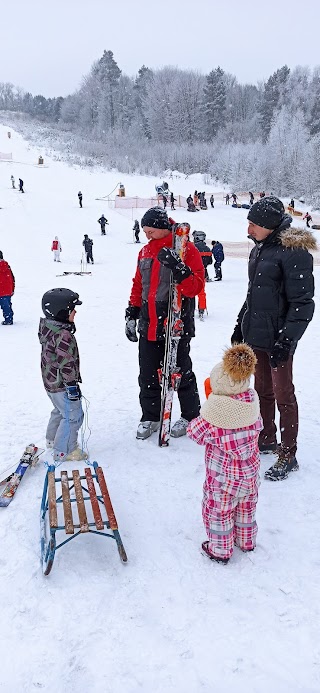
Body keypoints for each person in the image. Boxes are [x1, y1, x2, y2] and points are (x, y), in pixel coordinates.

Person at [231, 196, 316, 481]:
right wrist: (239, 324)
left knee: (283, 396)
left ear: (269, 225)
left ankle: (288, 453)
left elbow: (303, 303)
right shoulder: (260, 249)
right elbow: (253, 293)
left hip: (279, 338)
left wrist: (287, 341)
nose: (249, 229)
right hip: (257, 336)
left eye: (254, 224)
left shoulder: (294, 252)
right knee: (262, 391)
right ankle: (266, 437)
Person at [125, 206, 205, 440]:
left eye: (150, 231)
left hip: (175, 322)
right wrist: (132, 311)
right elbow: (138, 284)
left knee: (180, 371)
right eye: (144, 231)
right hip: (149, 321)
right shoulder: (145, 252)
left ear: (161, 228)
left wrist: (177, 267)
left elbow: (196, 287)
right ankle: (151, 415)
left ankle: (191, 415)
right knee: (147, 372)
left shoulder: (185, 248)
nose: (146, 235)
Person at [187, 344, 262, 564]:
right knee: (246, 508)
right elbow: (260, 425)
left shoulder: (213, 418)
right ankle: (247, 541)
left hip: (222, 480)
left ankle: (220, 550)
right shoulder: (252, 405)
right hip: (250, 476)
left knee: (219, 512)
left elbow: (194, 433)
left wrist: (209, 408)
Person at [38, 288, 87, 462]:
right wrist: (72, 385)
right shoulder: (63, 334)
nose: (75, 312)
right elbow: (66, 362)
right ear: (62, 311)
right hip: (61, 384)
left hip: (51, 381)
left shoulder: (49, 328)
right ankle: (64, 450)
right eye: (72, 309)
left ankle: (52, 440)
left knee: (60, 411)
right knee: (73, 415)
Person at [192, 230, 212, 320]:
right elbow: (210, 262)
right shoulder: (207, 248)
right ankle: (201, 309)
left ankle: (189, 309)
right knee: (201, 293)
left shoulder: (192, 247)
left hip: (191, 273)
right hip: (202, 273)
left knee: (190, 292)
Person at [0, 250, 14, 325]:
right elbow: (12, 278)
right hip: (6, 291)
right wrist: (12, 289)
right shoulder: (7, 266)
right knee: (6, 306)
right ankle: (9, 319)